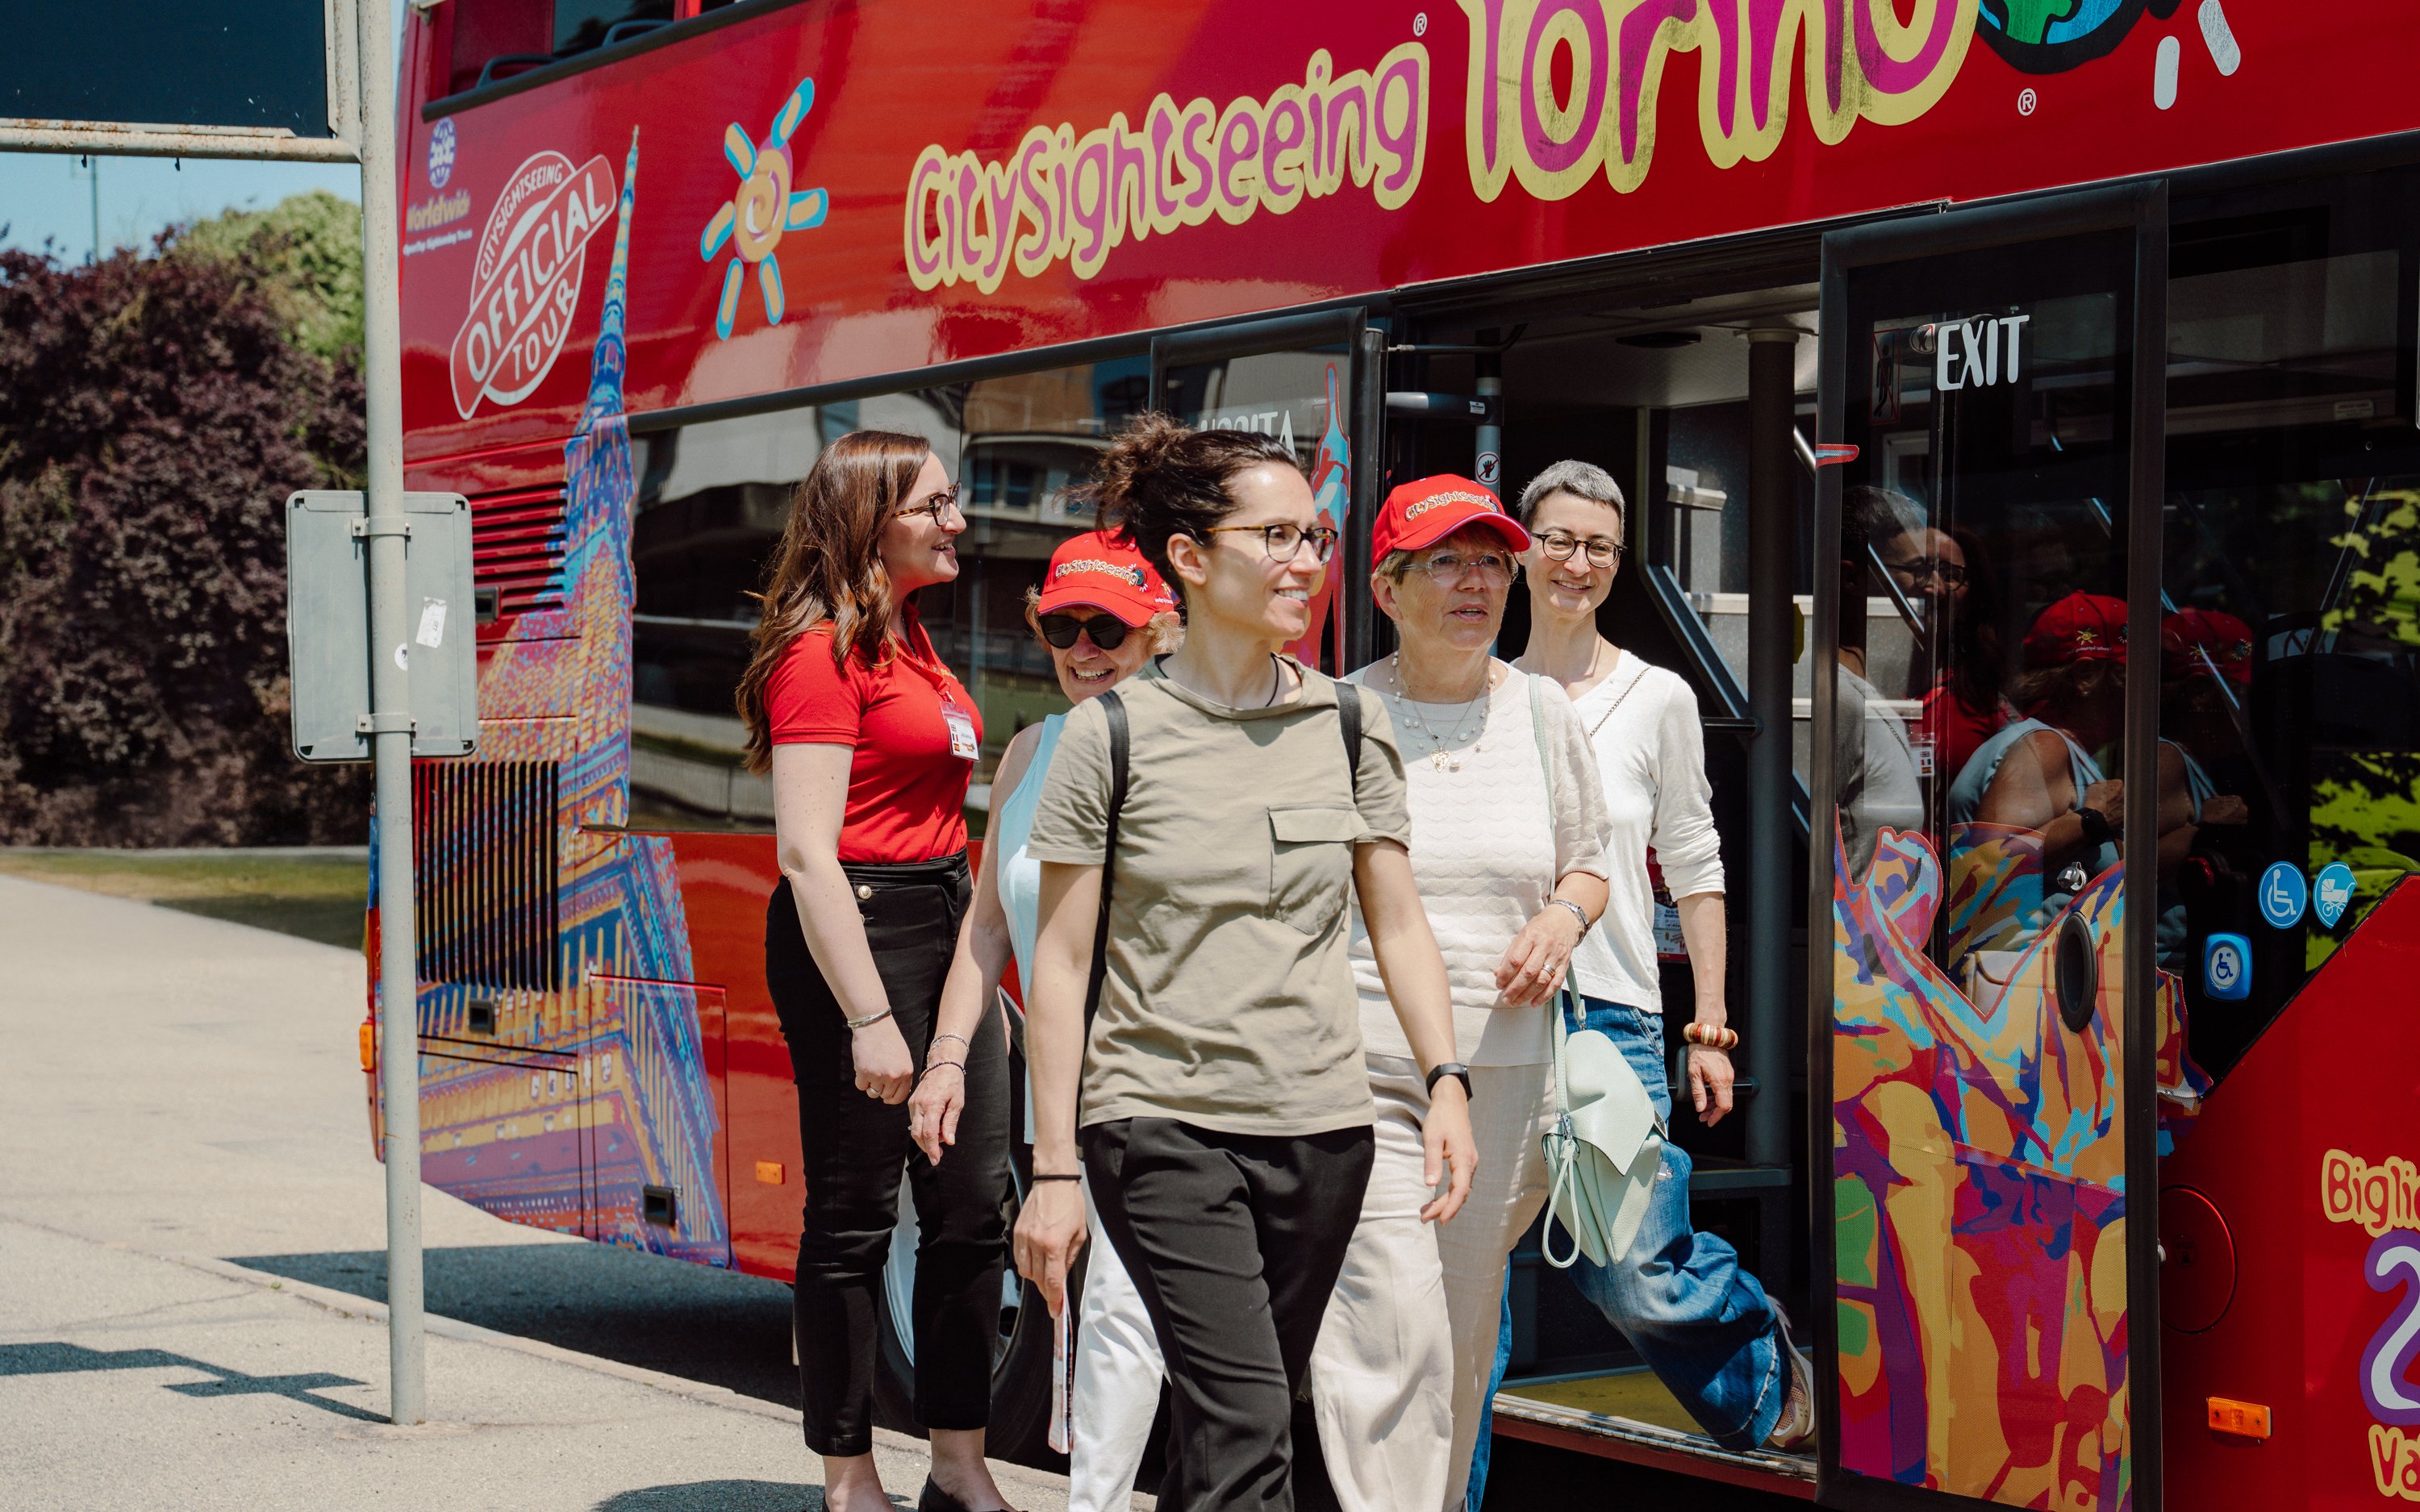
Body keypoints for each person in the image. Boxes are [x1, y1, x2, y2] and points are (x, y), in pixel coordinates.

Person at [1011, 416, 1479, 1512]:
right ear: (1188, 555)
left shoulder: (1353, 723)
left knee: (1234, 1427)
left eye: (1314, 535)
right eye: (1275, 535)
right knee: (1252, 1423)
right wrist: (1053, 1167)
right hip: (1160, 1122)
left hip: (1324, 1131)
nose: (1305, 561)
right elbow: (1063, 963)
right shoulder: (1109, 735)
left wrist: (1445, 1077)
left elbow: (1397, 920)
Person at [1306, 476, 1614, 1512]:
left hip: (1508, 1078)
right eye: (1448, 561)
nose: (1477, 582)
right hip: (1365, 1067)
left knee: (1461, 1341)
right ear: (1388, 589)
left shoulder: (1541, 714)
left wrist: (1561, 921)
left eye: (1491, 560)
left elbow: (1593, 864)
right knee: (1388, 1325)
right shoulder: (1337, 714)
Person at [1504, 459, 1813, 1456]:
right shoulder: (1479, 689)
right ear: (1522, 549)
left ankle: (1771, 1378)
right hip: (1488, 1015)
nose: (1575, 563)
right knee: (1463, 1284)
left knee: (1630, 1262)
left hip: (1611, 1015)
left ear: (1619, 560)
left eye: (1597, 545)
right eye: (1556, 539)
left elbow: (1695, 864)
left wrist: (1709, 1027)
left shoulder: (1659, 697)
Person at [735, 430, 1015, 1512]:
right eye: (936, 505)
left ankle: (958, 1460)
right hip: (853, 929)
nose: (958, 521)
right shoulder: (820, 651)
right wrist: (867, 1015)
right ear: (870, 520)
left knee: (971, 1203)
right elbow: (806, 851)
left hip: (945, 922)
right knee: (855, 1214)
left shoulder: (916, 641)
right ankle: (849, 1476)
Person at [907, 530, 1182, 1512]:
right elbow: (987, 930)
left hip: (1172, 1094)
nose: (1081, 645)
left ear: (1165, 625)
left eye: (1106, 624)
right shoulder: (1034, 748)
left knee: (1139, 1338)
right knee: (1098, 1339)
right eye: (1060, 626)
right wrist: (946, 1057)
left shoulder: (1193, 745)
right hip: (1066, 1100)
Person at [1943, 590, 2130, 980]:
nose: (2149, 695)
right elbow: (1987, 867)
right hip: (2020, 998)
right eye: (2131, 677)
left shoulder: (2059, 748)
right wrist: (2092, 821)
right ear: (2085, 677)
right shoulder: (2046, 747)